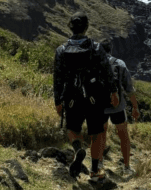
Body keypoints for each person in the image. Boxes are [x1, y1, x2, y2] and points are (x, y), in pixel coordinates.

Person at [53, 11, 119, 181]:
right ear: (86, 27)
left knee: (72, 129)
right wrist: (113, 92)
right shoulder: (96, 48)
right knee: (96, 133)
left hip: (71, 96)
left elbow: (58, 78)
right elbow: (107, 71)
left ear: (70, 27)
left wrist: (58, 101)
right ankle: (95, 170)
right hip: (94, 96)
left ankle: (77, 149)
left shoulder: (61, 50)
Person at [100, 39, 140, 177]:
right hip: (117, 106)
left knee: (100, 135)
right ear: (111, 49)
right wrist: (135, 107)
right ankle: (127, 167)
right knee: (124, 136)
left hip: (99, 107)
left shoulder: (93, 64)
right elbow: (129, 89)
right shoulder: (119, 64)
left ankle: (98, 164)